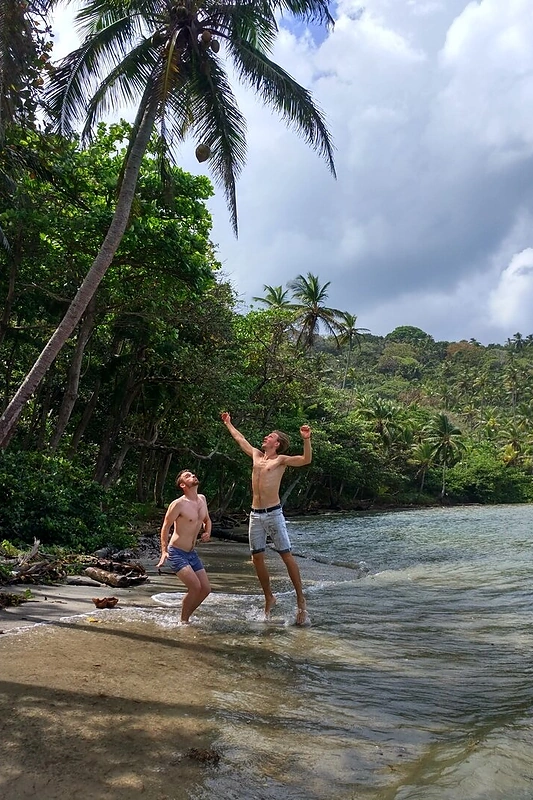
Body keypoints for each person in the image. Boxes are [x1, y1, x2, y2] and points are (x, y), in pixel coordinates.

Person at [221, 412, 312, 625]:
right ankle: (269, 596)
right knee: (257, 558)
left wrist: (306, 440)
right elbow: (239, 439)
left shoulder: (281, 460)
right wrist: (228, 423)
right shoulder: (255, 455)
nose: (265, 438)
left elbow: (306, 460)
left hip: (274, 513)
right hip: (255, 515)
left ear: (277, 443)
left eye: (270, 436)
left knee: (286, 556)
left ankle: (301, 599)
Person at [157, 469, 212, 623]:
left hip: (191, 553)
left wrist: (207, 532)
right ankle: (183, 621)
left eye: (193, 474)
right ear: (182, 485)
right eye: (188, 476)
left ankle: (185, 617)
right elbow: (165, 527)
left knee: (206, 589)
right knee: (195, 587)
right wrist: (163, 551)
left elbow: (207, 520)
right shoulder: (178, 504)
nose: (193, 476)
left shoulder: (202, 499)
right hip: (176, 552)